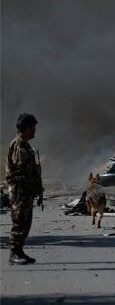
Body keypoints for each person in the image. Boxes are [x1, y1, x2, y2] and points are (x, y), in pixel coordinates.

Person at [6, 113, 43, 265]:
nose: (35, 130)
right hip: (20, 191)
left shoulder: (25, 144)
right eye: (33, 127)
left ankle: (19, 251)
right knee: (19, 222)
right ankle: (14, 253)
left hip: (26, 191)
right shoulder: (19, 144)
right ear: (27, 128)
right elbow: (20, 170)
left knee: (25, 222)